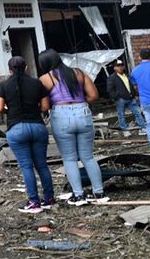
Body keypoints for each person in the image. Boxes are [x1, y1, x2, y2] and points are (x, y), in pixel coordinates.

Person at [38, 49, 107, 206]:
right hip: (83, 112)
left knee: (69, 158)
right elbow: (94, 95)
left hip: (61, 116)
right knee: (88, 157)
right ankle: (99, 191)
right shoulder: (78, 73)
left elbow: (45, 105)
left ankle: (78, 195)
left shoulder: (45, 79)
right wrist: (80, 104)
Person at [0, 56, 53, 214]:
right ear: (26, 67)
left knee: (26, 166)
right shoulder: (37, 83)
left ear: (9, 70)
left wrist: (11, 110)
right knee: (42, 165)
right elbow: (45, 106)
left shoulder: (4, 86)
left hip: (16, 129)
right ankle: (49, 199)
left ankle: (34, 202)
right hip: (37, 127)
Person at [105, 59, 144, 137]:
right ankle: (125, 130)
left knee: (138, 113)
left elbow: (131, 86)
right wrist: (117, 97)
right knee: (121, 115)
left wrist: (135, 94)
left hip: (131, 98)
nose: (120, 67)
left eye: (121, 65)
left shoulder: (127, 75)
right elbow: (109, 90)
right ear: (114, 68)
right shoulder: (112, 78)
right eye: (118, 66)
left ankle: (142, 128)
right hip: (121, 100)